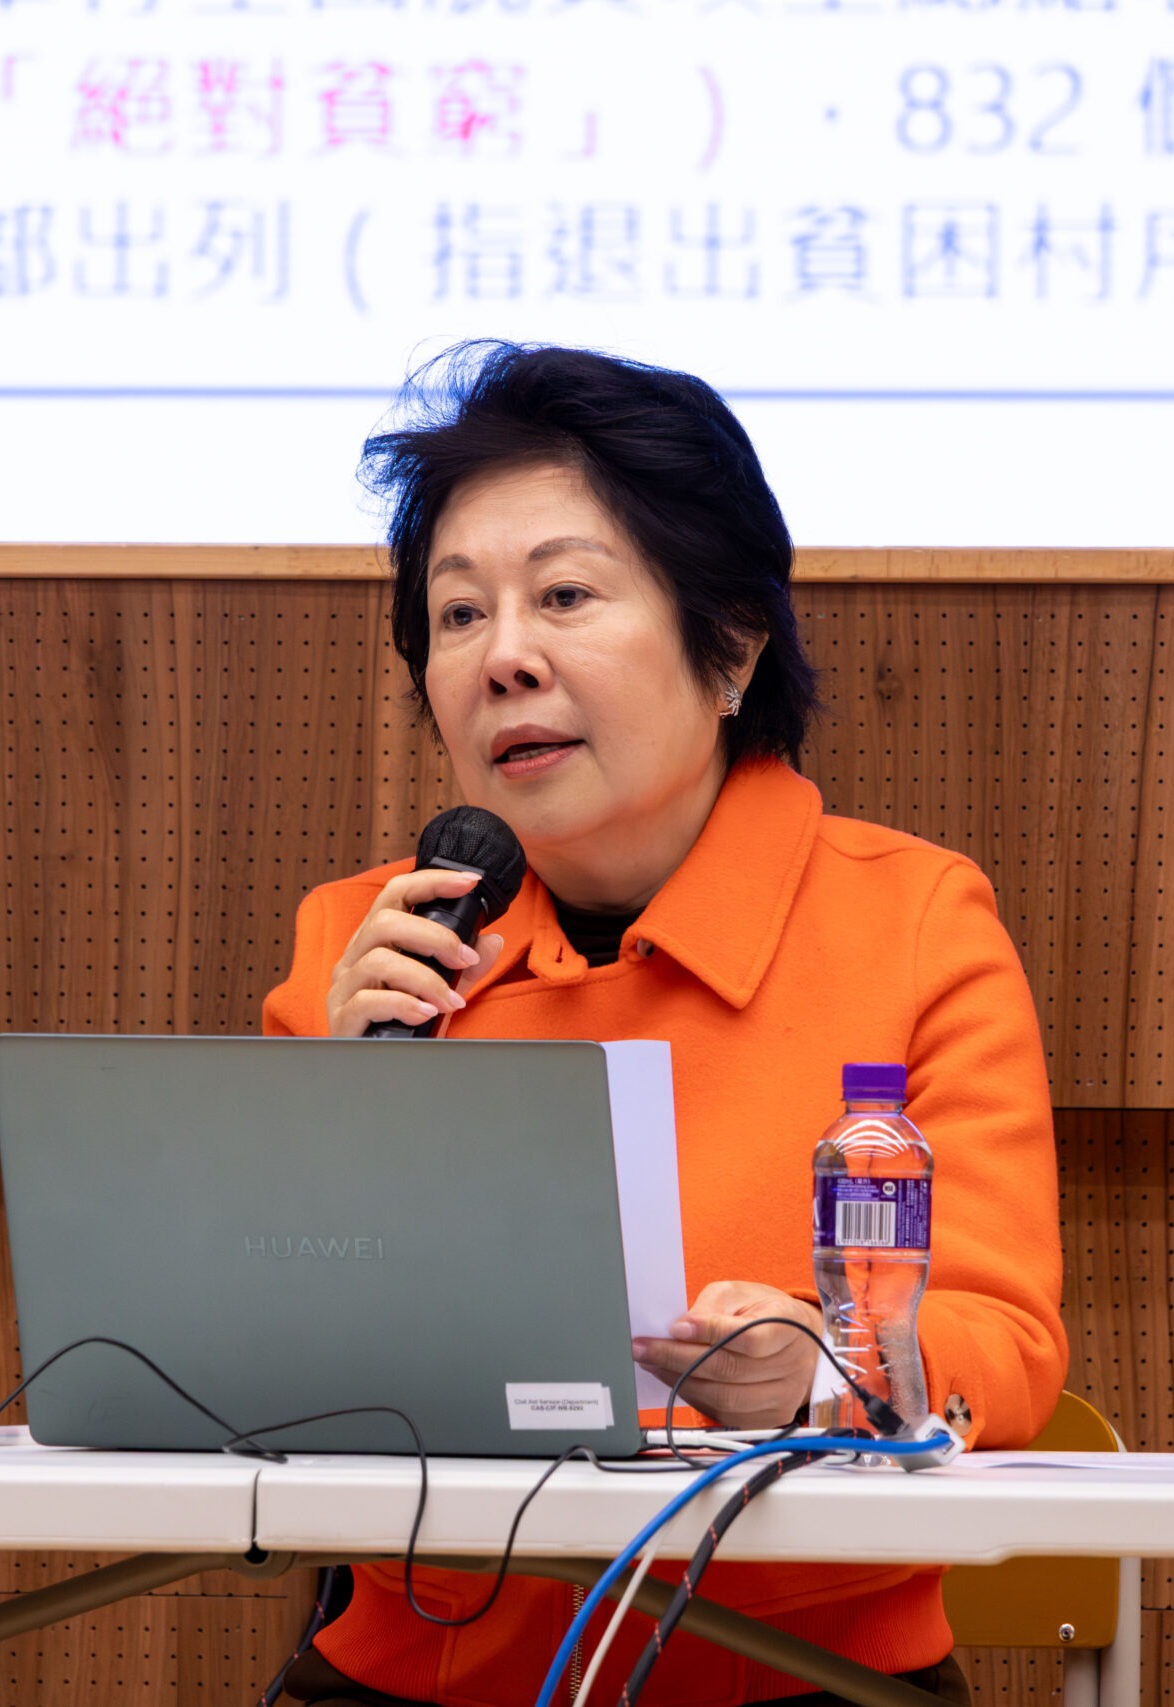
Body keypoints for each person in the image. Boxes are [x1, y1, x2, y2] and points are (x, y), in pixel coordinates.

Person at [260, 343, 1066, 1707]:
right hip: (418, 1677)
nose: (504, 659)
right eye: (458, 616)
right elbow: (256, 1365)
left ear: (731, 643)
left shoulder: (913, 922)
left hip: (803, 1681)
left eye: (565, 596)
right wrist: (339, 1109)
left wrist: (824, 1371)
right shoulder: (367, 947)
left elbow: (1005, 1342)